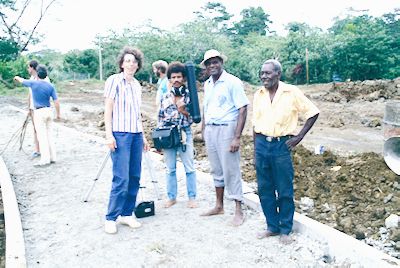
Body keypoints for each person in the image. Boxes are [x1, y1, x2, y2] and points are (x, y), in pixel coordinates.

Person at [253, 59, 319, 244]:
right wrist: (255, 149)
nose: (264, 76)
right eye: (262, 73)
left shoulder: (291, 92)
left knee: (284, 189)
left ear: (278, 74)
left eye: (268, 73)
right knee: (265, 189)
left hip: (281, 146)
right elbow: (254, 124)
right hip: (261, 145)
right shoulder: (258, 94)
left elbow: (313, 112)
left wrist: (299, 137)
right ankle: (272, 227)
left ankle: (285, 229)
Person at [103, 46, 150, 234]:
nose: (131, 64)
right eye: (127, 61)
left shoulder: (137, 85)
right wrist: (108, 134)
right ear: (122, 64)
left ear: (138, 65)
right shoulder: (114, 81)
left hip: (136, 135)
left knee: (134, 176)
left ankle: (127, 213)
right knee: (120, 177)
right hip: (120, 134)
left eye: (134, 61)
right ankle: (111, 217)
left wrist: (143, 136)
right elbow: (108, 109)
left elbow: (136, 114)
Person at [200, 49, 249, 226]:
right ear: (205, 66)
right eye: (209, 63)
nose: (213, 65)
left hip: (227, 129)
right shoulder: (207, 84)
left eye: (215, 62)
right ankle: (219, 205)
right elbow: (206, 107)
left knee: (231, 169)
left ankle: (238, 210)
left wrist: (237, 137)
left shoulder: (232, 82)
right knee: (216, 169)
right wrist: (203, 128)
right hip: (211, 130)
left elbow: (242, 109)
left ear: (221, 62)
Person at [158, 62, 197, 209]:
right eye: (173, 77)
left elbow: (195, 119)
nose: (176, 80)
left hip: (184, 133)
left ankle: (192, 197)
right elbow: (160, 118)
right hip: (168, 135)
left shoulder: (190, 96)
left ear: (184, 78)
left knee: (189, 168)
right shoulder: (165, 97)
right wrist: (159, 141)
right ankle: (171, 197)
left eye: (179, 77)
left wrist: (184, 110)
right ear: (169, 79)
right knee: (170, 169)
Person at [14, 65, 60, 167]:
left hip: (39, 112)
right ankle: (53, 157)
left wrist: (16, 77)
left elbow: (22, 80)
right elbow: (56, 101)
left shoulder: (33, 83)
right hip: (49, 110)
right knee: (49, 135)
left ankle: (45, 160)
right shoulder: (50, 85)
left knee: (41, 136)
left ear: (37, 74)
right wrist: (58, 114)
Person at [27, 60, 51, 158]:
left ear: (32, 68)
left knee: (42, 129)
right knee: (35, 129)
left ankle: (44, 150)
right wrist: (29, 107)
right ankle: (38, 149)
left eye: (28, 67)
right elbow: (30, 94)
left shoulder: (44, 79)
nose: (27, 69)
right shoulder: (31, 78)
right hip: (33, 108)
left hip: (41, 108)